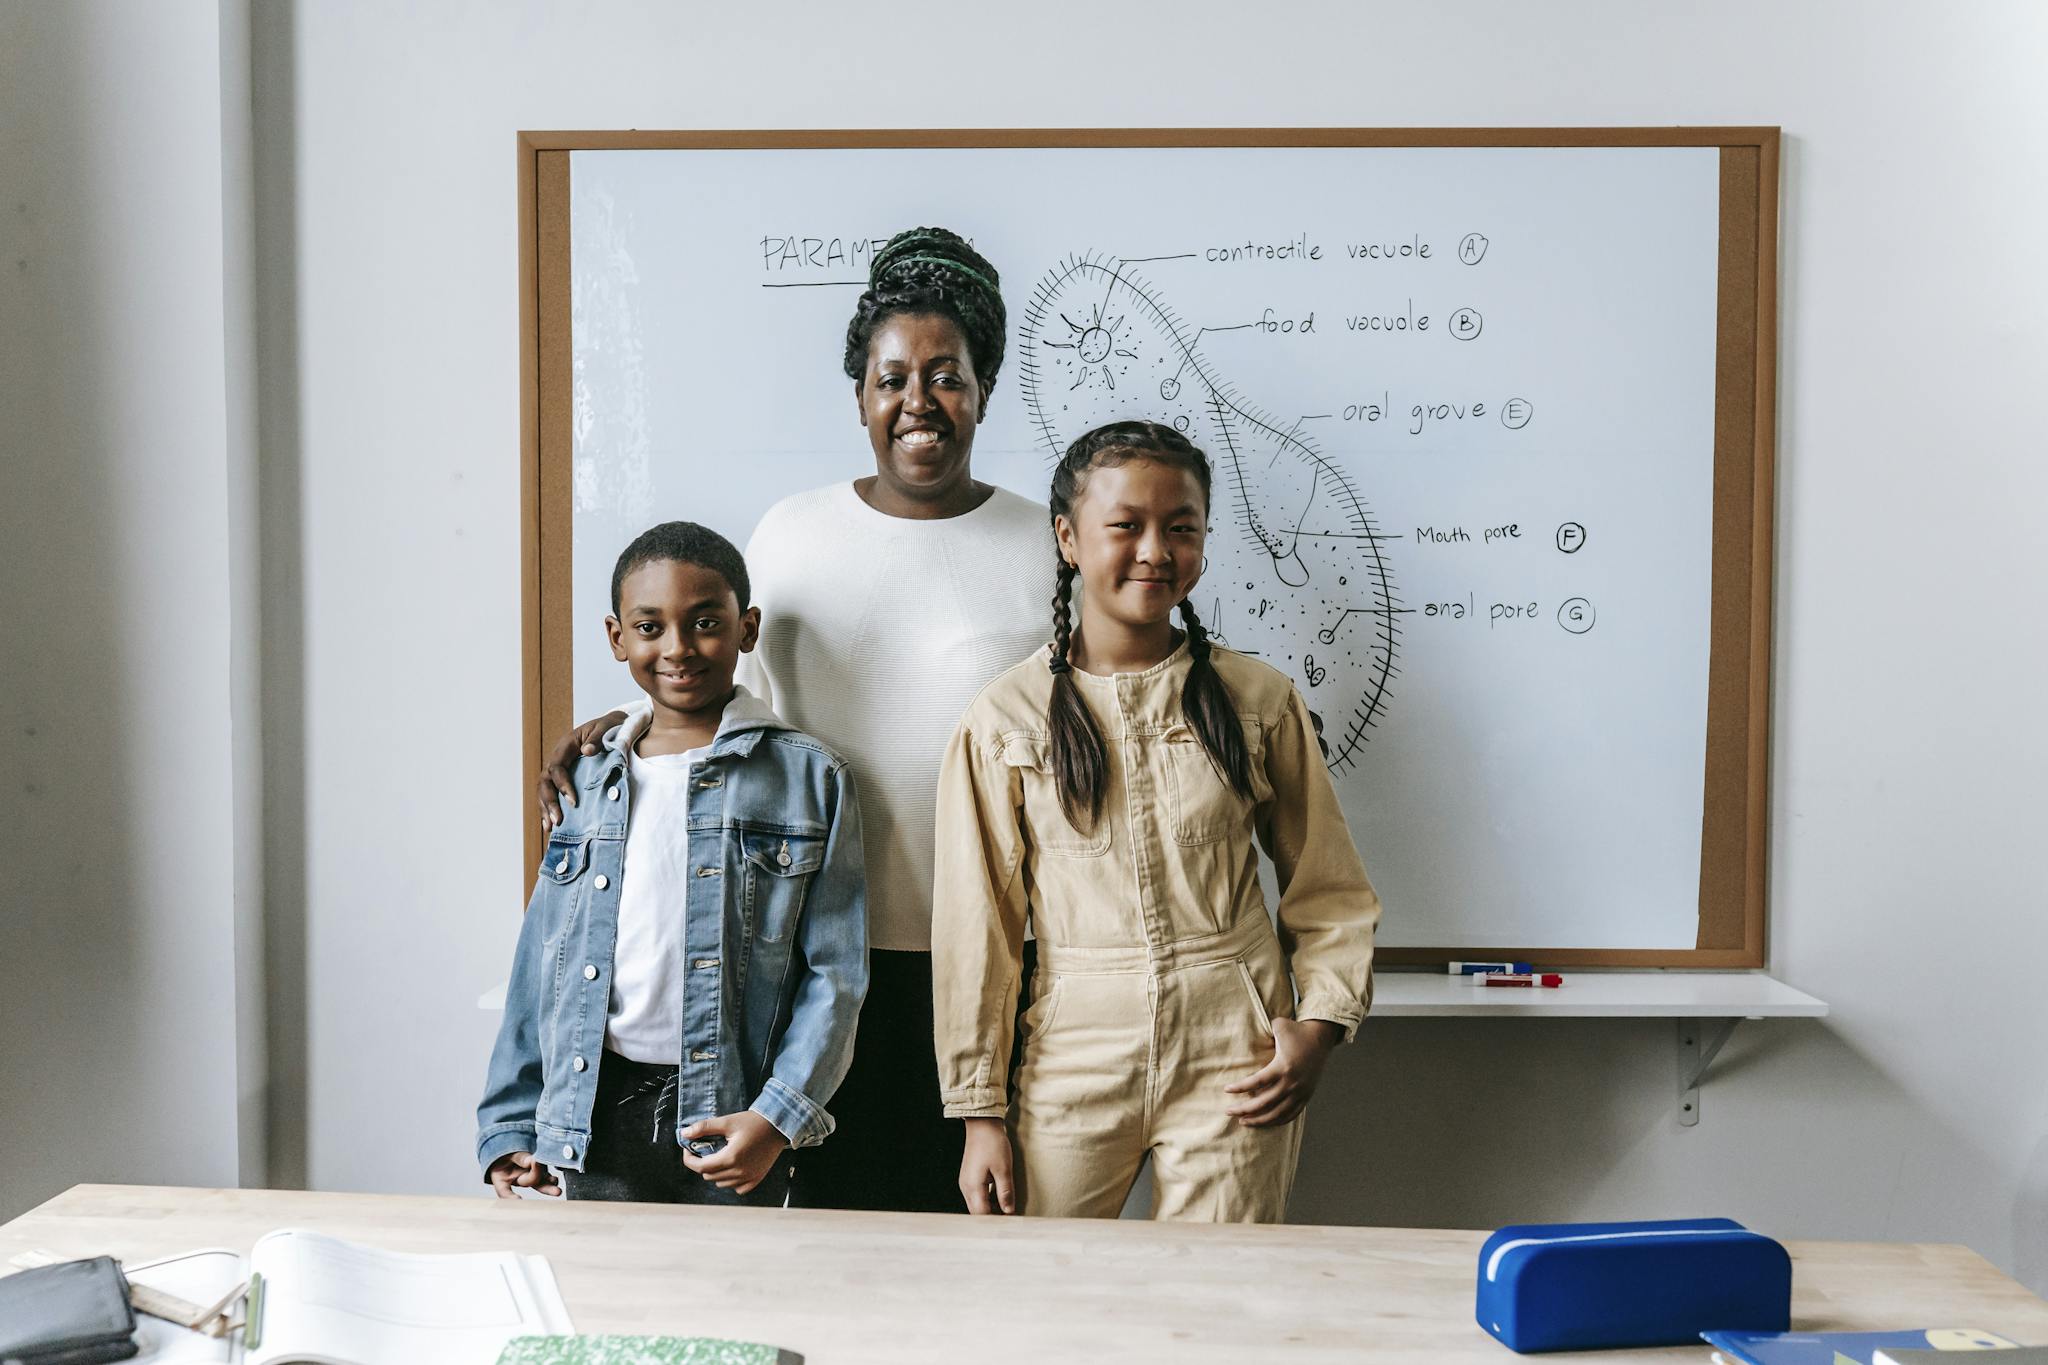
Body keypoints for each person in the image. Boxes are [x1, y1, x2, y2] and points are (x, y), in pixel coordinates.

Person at [534, 228, 1049, 1212]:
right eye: (890, 377)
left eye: (946, 375)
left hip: (990, 964)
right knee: (828, 1249)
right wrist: (617, 730)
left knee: (991, 1256)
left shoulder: (1039, 545)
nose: (916, 401)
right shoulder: (791, 534)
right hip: (809, 962)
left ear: (982, 388)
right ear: (859, 393)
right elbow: (718, 691)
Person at [931, 421, 1382, 1222]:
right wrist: (978, 1112)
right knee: (1047, 1298)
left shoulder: (1259, 700)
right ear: (1068, 538)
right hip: (1074, 1047)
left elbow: (1329, 887)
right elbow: (980, 933)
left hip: (1235, 1048)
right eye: (1126, 525)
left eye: (1181, 528)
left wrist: (1319, 1026)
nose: (1154, 550)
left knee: (1220, 1303)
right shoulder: (1003, 718)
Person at [479, 521, 868, 1204]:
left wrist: (778, 1116)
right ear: (616, 636)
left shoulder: (812, 778)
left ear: (746, 629)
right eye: (650, 627)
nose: (678, 648)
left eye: (705, 623)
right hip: (593, 1109)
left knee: (732, 1301)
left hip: (733, 1114)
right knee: (605, 1300)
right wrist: (514, 1119)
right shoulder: (587, 777)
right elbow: (543, 964)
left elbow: (834, 975)